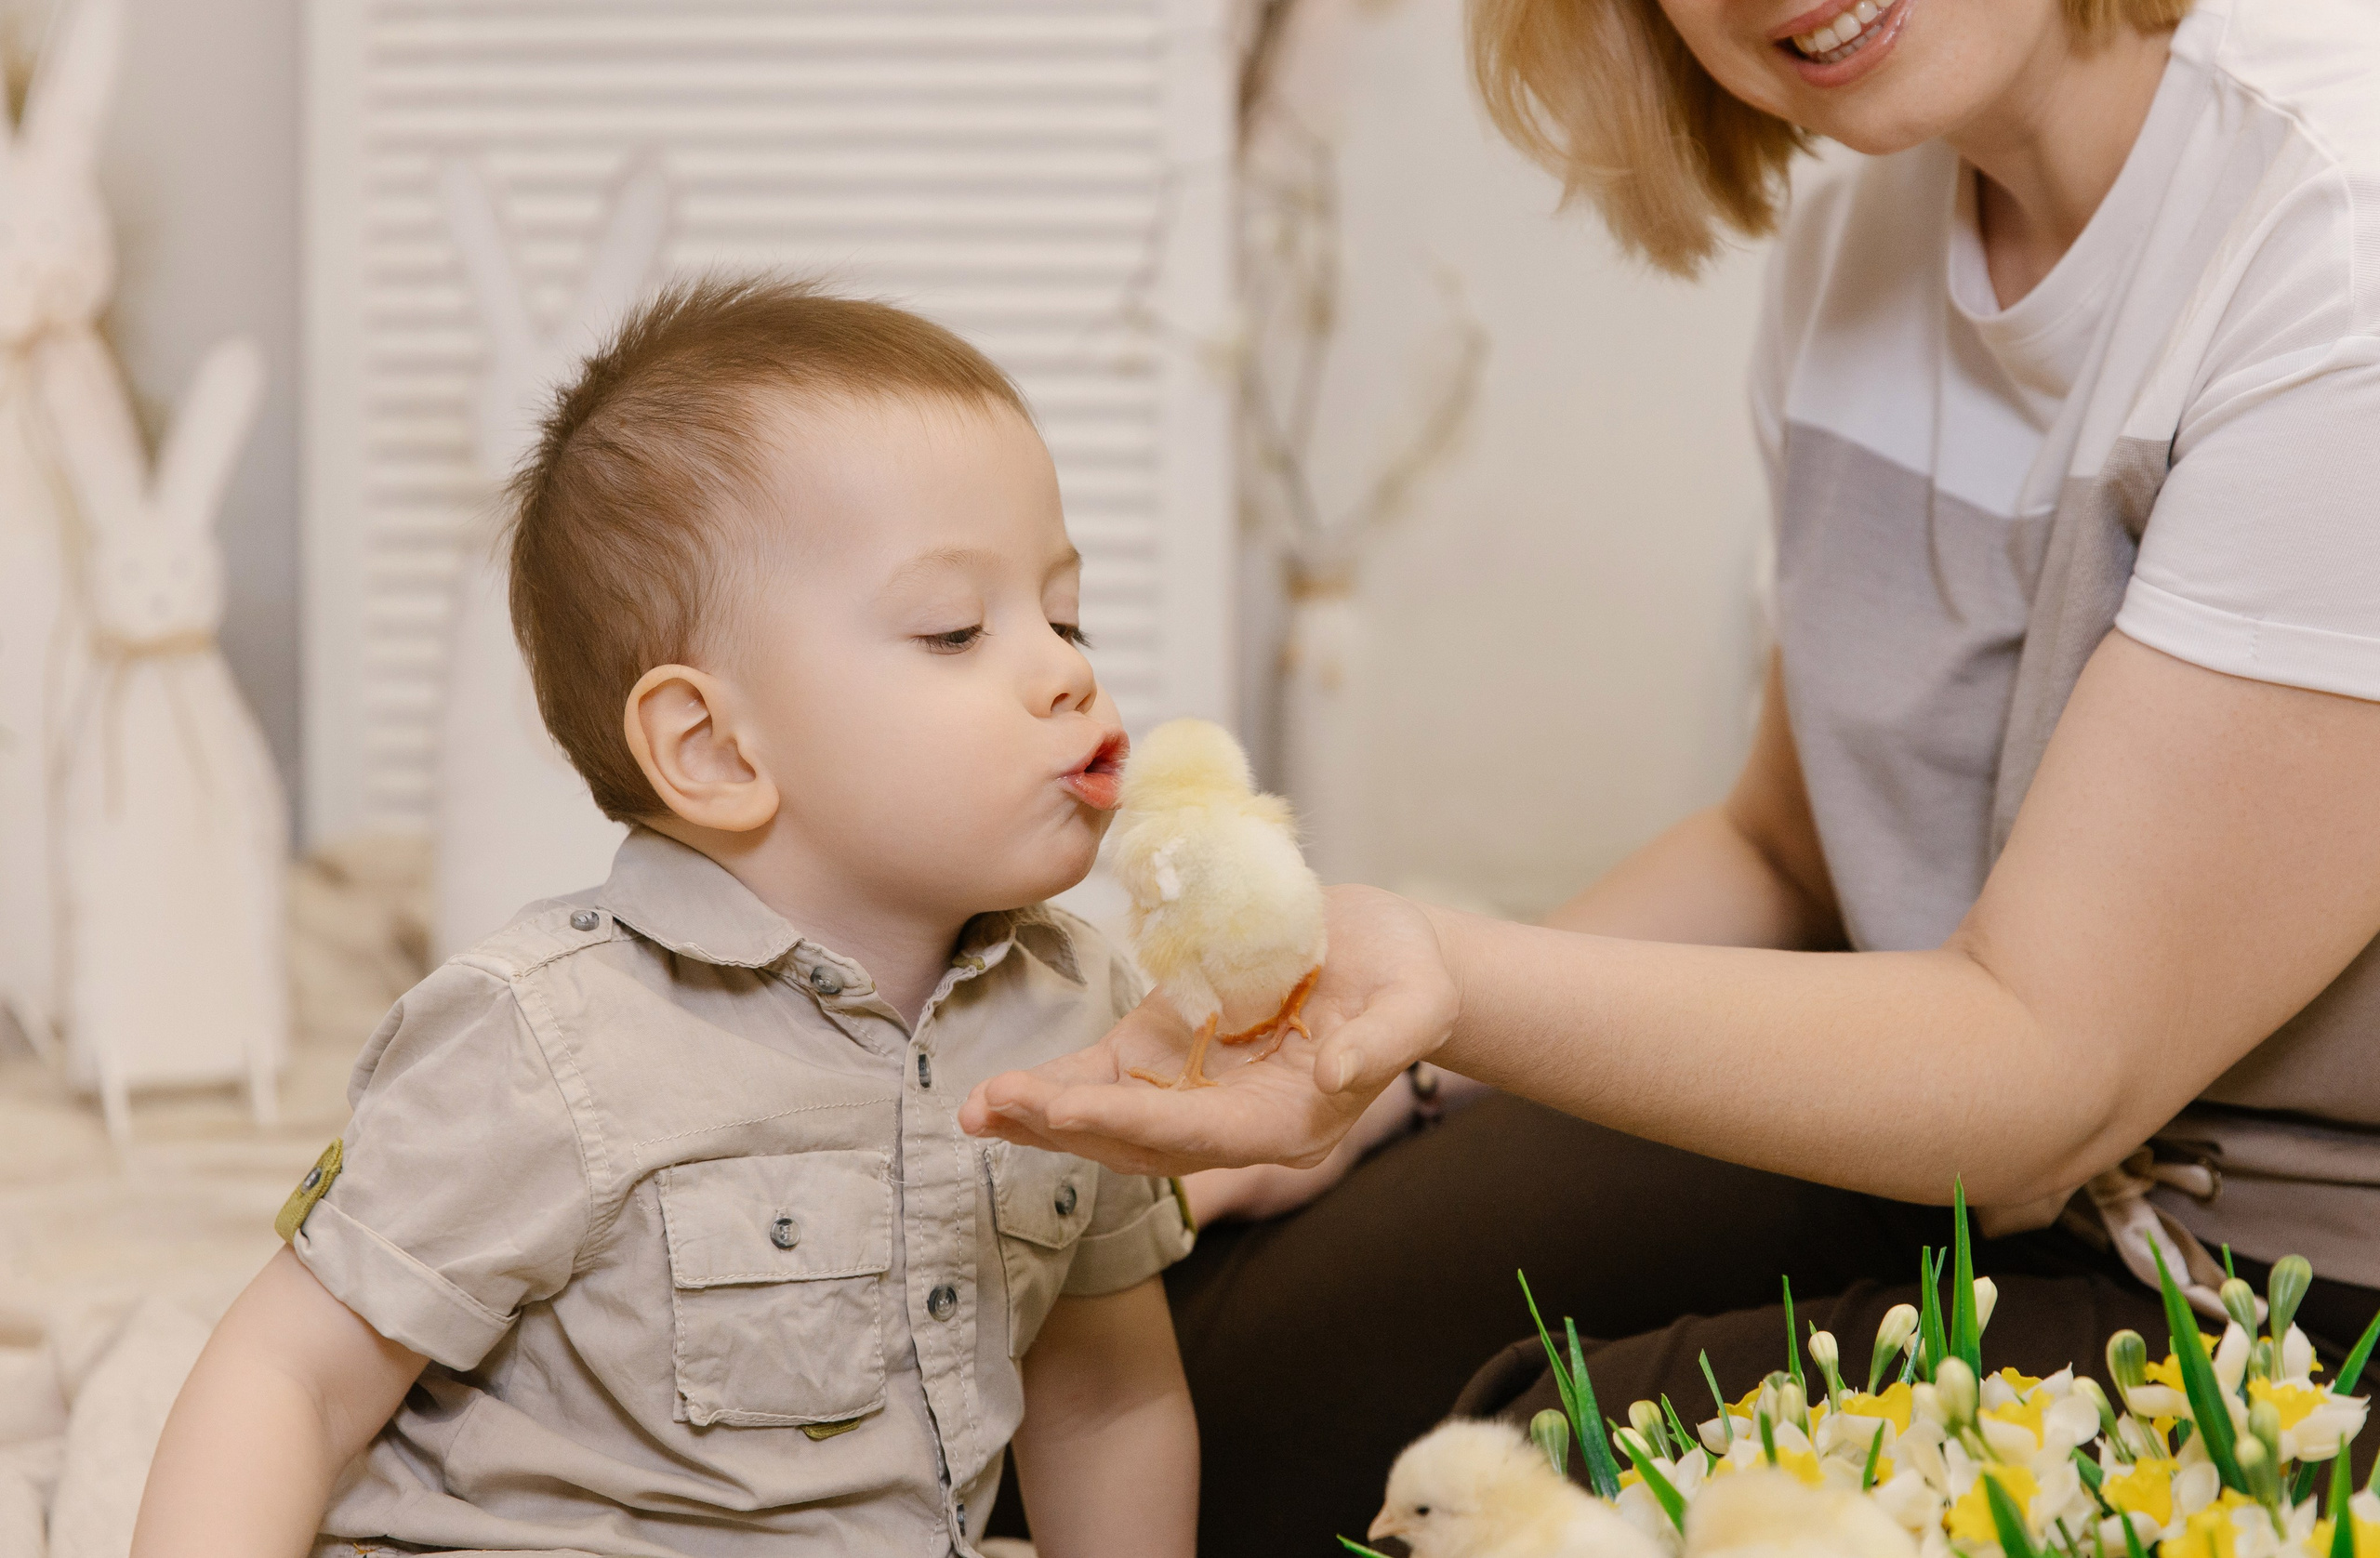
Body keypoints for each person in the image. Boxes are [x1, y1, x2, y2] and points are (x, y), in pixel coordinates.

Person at [960, 0, 2380, 1549]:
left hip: (2295, 1280)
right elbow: (1785, 847)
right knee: (1206, 1359)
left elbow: (2045, 1065)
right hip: (1963, 1155)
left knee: (1494, 1488)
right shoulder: (1866, 252)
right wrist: (1378, 1069)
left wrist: (1438, 971)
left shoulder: (2331, 242)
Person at [131, 279, 1199, 1558]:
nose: (1068, 666)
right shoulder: (550, 1041)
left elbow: (1104, 1397)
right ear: (710, 746)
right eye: (957, 629)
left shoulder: (1077, 1012)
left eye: (1065, 611)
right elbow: (286, 1382)